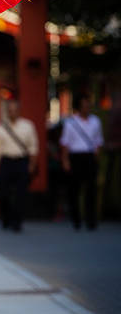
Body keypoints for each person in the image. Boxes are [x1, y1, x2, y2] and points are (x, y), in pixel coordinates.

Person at [0, 99, 38, 231]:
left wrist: (32, 164)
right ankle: (6, 217)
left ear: (19, 111)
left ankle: (17, 221)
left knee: (21, 193)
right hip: (6, 161)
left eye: (15, 110)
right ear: (7, 112)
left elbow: (33, 146)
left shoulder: (28, 126)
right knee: (2, 192)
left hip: (22, 161)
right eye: (10, 110)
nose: (12, 113)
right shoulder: (0, 128)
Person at [60, 94, 104, 230]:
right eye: (84, 105)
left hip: (89, 156)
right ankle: (76, 219)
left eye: (88, 105)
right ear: (79, 107)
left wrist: (96, 156)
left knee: (91, 189)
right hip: (75, 156)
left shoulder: (96, 121)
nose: (86, 108)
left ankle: (91, 220)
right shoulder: (70, 123)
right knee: (74, 190)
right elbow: (65, 143)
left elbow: (98, 141)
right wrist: (66, 160)